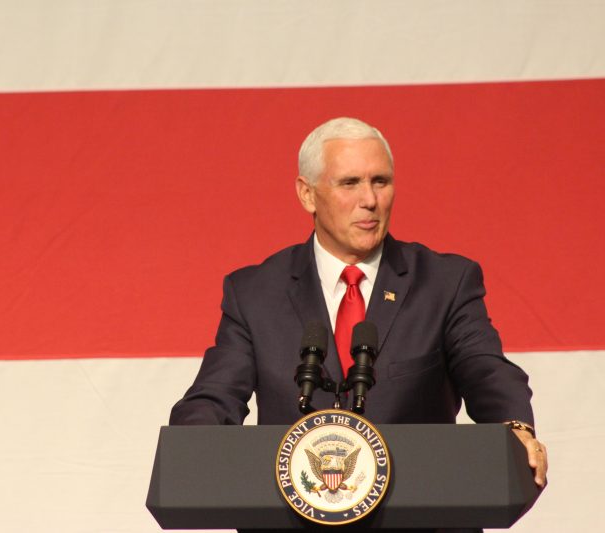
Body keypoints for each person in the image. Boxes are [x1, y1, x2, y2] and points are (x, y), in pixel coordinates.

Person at [170, 117, 548, 490]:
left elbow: (486, 371)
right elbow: (215, 396)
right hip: (292, 510)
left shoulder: (444, 283)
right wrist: (191, 444)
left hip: (420, 505)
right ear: (307, 194)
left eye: (380, 181)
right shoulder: (255, 293)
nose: (370, 200)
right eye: (350, 183)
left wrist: (514, 425)